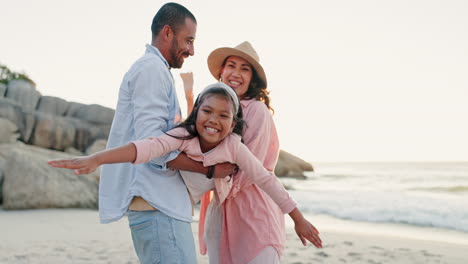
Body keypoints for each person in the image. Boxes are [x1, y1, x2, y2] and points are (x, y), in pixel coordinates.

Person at [48, 83, 322, 258]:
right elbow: (145, 148)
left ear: (233, 122)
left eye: (224, 116)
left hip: (200, 199)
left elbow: (265, 178)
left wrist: (297, 218)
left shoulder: (235, 147)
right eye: (207, 111)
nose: (213, 120)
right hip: (169, 200)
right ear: (196, 112)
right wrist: (98, 158)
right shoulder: (183, 135)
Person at [92, 3, 236, 264]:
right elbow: (154, 147)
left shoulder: (156, 70)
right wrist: (210, 171)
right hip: (157, 205)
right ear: (168, 32)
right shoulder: (151, 70)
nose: (192, 50)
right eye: (189, 40)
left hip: (160, 206)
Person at [183, 41, 305, 263]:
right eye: (231, 65)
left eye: (244, 68)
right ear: (222, 71)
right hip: (221, 213)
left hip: (254, 212)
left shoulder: (257, 110)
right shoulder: (213, 110)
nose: (236, 73)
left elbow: (251, 170)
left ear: (252, 79)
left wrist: (211, 175)